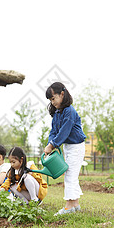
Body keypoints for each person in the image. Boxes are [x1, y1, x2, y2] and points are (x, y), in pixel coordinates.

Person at [44, 82, 86, 215]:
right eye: (50, 100)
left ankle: (68, 207)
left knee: (70, 176)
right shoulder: (57, 112)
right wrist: (50, 143)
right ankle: (75, 205)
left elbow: (64, 131)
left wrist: (52, 145)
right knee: (71, 175)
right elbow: (54, 131)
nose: (52, 102)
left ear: (62, 94)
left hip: (76, 147)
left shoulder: (69, 111)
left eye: (53, 98)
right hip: (69, 147)